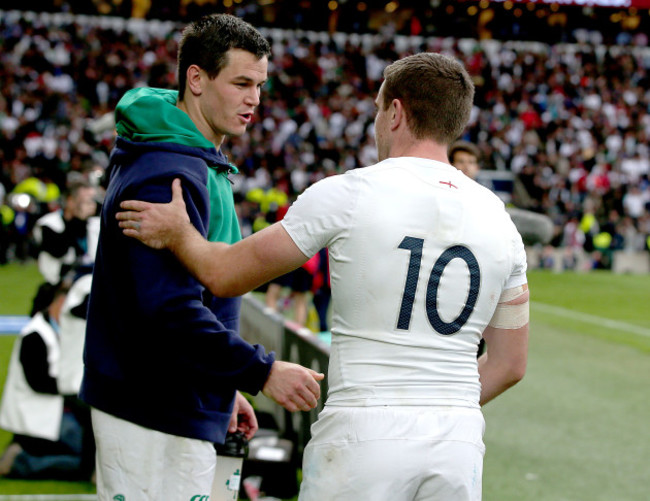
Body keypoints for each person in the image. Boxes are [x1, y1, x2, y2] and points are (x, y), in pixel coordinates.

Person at [117, 52, 529, 500]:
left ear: (395, 112)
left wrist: (180, 235)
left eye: (376, 109)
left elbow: (225, 274)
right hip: (457, 439)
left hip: (364, 429)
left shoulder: (350, 192)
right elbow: (510, 364)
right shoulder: (500, 221)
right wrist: (440, 407)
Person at [79, 14, 323, 501]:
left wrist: (222, 384)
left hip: (174, 396)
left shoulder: (191, 158)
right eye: (240, 83)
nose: (254, 98)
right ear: (196, 78)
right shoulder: (167, 173)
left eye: (259, 84)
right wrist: (261, 372)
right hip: (150, 403)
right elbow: (168, 311)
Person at [0, 278, 90, 481]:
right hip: (38, 415)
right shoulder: (34, 335)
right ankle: (20, 461)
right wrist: (72, 389)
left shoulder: (58, 332)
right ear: (58, 304)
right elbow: (38, 382)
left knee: (88, 450)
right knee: (85, 458)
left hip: (55, 412)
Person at [30, 180, 99, 315]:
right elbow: (58, 250)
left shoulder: (96, 224)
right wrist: (78, 220)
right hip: (56, 291)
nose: (91, 205)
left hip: (90, 289)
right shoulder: (49, 224)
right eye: (85, 201)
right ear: (70, 201)